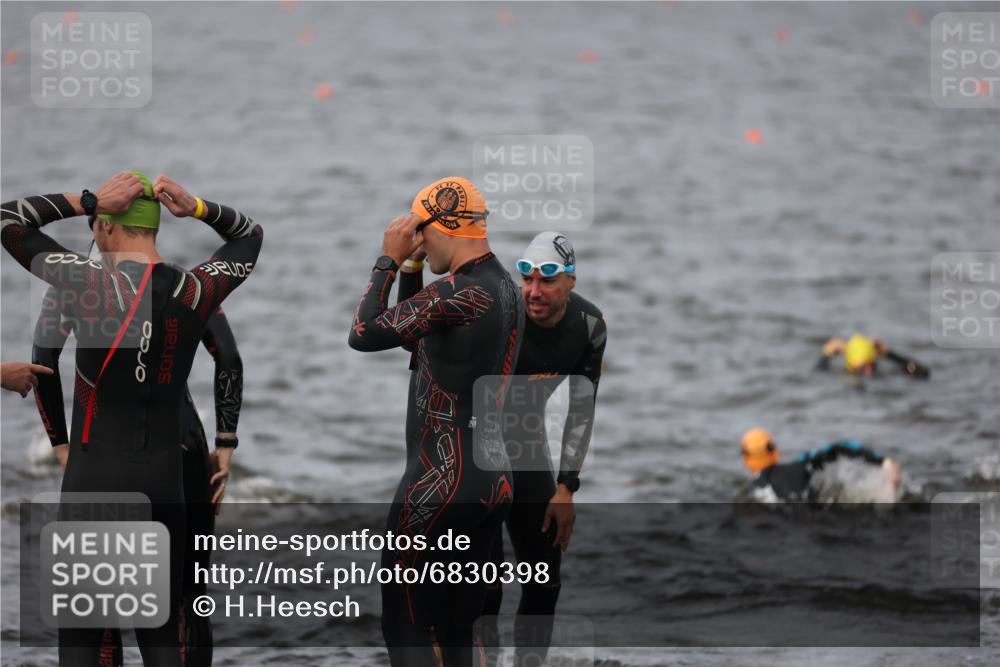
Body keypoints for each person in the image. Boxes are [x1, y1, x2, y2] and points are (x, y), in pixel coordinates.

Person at [1, 170, 262, 666]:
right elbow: (249, 235)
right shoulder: (197, 290)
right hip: (164, 489)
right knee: (165, 642)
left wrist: (86, 199)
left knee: (83, 643)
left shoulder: (82, 280)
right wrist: (199, 207)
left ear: (104, 227)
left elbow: (8, 220)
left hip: (94, 483)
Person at [348, 177, 523, 667]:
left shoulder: (459, 292)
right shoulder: (502, 287)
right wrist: (414, 266)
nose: (416, 240)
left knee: (406, 629)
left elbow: (364, 332)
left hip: (439, 486)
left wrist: (387, 259)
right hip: (492, 484)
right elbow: (416, 336)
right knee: (457, 633)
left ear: (442, 225)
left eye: (420, 233)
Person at [33, 271, 244, 666]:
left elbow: (43, 360)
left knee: (97, 606)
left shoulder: (69, 287)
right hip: (182, 451)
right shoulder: (186, 285)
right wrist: (225, 444)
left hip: (102, 456)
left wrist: (61, 446)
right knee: (186, 595)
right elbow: (228, 357)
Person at [463, 232, 605, 667]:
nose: (534, 292)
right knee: (485, 587)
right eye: (527, 281)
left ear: (571, 282)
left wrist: (567, 488)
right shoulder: (501, 317)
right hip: (474, 454)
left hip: (526, 451)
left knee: (545, 582)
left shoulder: (588, 326)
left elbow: (583, 407)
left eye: (547, 282)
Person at [739, 428, 903, 503]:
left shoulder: (753, 489)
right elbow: (840, 447)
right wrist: (883, 462)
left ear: (746, 460)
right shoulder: (801, 466)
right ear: (775, 451)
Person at [818, 334, 929, 378]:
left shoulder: (885, 376)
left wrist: (888, 353)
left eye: (872, 365)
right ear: (851, 367)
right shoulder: (843, 376)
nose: (869, 371)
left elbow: (923, 373)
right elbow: (818, 375)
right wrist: (826, 355)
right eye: (862, 367)